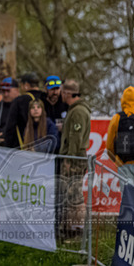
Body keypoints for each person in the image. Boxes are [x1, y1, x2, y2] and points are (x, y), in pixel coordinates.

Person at [58, 79, 91, 237]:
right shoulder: (75, 110)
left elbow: (75, 138)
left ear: (67, 93)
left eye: (62, 92)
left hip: (74, 159)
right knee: (69, 194)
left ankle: (76, 229)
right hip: (74, 158)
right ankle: (69, 227)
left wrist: (69, 160)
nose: (61, 95)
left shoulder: (78, 111)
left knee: (74, 195)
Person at [106, 87, 134, 182]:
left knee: (126, 190)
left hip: (122, 163)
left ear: (123, 100)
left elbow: (109, 146)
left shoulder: (117, 118)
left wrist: (116, 160)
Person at [4, 72, 46, 148]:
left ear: (26, 85)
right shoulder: (46, 97)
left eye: (21, 85)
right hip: (46, 146)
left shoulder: (19, 101)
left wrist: (8, 146)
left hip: (24, 147)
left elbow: (10, 127)